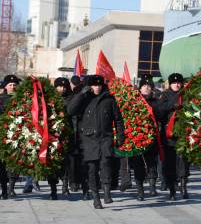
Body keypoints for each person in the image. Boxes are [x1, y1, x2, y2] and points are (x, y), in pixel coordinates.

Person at [67, 75, 125, 209]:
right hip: (89, 139)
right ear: (89, 86)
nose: (97, 87)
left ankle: (106, 192)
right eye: (94, 85)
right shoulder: (84, 99)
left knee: (106, 164)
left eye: (99, 85)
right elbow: (70, 110)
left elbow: (118, 120)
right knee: (92, 169)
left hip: (106, 138)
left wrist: (120, 137)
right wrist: (81, 94)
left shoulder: (109, 99)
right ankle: (95, 197)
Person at [158, 73, 189, 200]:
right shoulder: (165, 96)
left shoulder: (186, 95)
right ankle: (172, 189)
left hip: (183, 133)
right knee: (169, 163)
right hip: (168, 135)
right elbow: (160, 111)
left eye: (179, 82)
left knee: (183, 162)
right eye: (174, 83)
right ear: (170, 84)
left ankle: (183, 186)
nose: (177, 84)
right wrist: (173, 105)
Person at [131, 77, 159, 201]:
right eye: (144, 85)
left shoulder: (156, 101)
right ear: (140, 88)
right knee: (138, 165)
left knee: (152, 163)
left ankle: (152, 187)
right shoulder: (134, 101)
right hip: (137, 138)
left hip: (152, 138)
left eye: (149, 85)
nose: (146, 87)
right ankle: (140, 190)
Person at [0, 74, 21, 199]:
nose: (12, 87)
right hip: (2, 135)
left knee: (14, 162)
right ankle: (3, 190)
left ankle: (11, 188)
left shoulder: (22, 98)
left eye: (15, 85)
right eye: (10, 85)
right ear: (5, 86)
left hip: (17, 135)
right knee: (2, 164)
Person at [47, 77, 73, 200]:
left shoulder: (71, 99)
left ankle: (65, 186)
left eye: (64, 87)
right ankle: (53, 190)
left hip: (66, 135)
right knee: (52, 163)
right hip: (51, 135)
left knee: (65, 162)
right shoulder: (49, 99)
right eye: (59, 86)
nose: (62, 89)